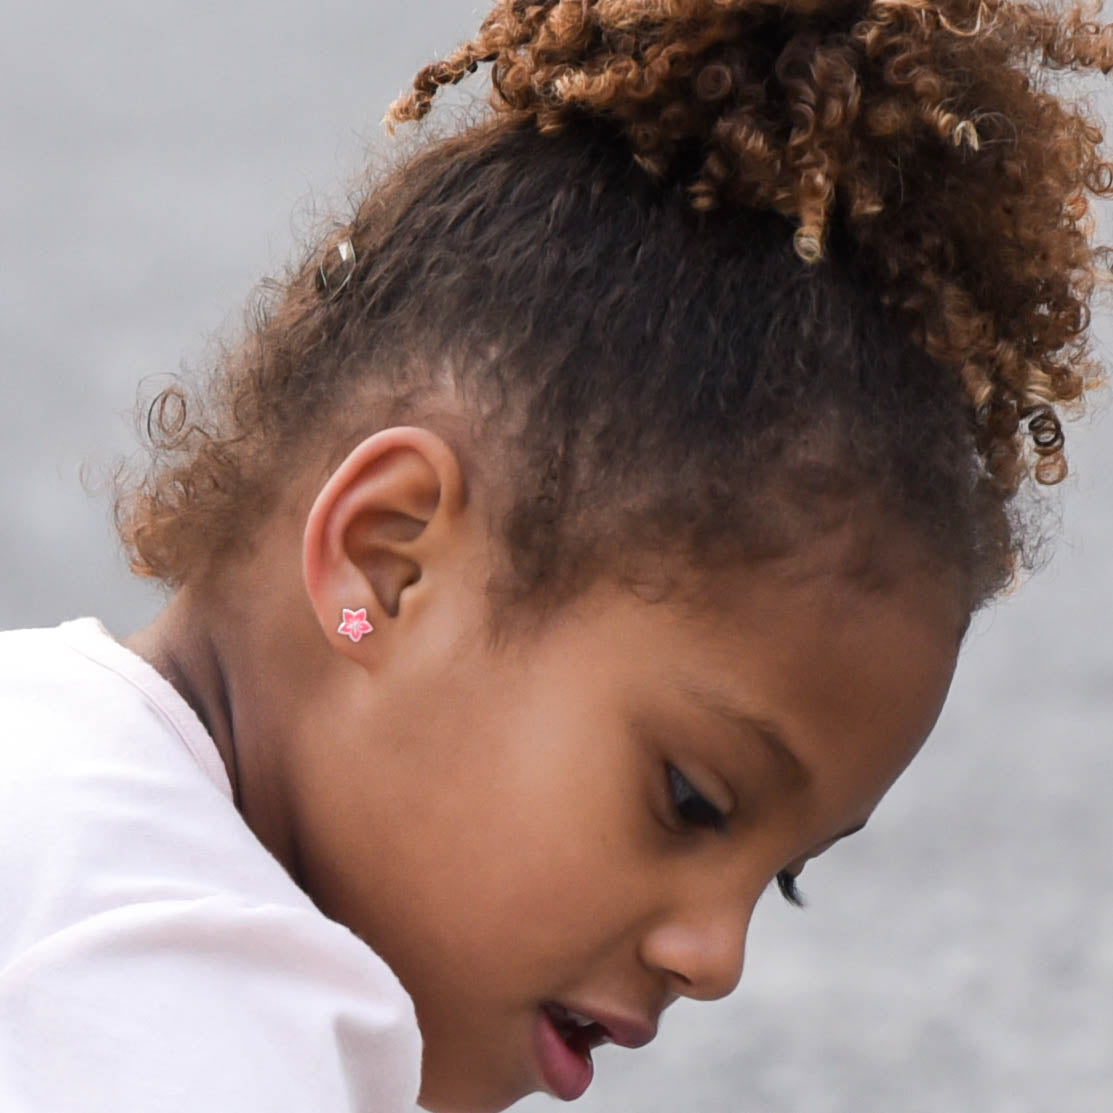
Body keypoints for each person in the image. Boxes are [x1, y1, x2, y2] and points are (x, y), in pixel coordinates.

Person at [1, 0, 1110, 1110]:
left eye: (783, 879)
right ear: (386, 569)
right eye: (691, 800)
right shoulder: (175, 997)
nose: (716, 961)